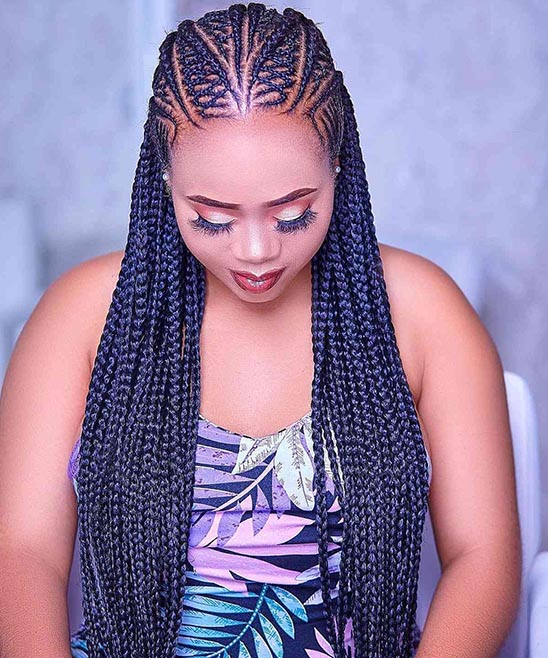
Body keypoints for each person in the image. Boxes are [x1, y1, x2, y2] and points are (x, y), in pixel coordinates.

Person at [0, 3, 521, 658]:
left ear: (339, 166)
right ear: (164, 179)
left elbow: (483, 558)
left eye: (293, 213)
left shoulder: (423, 313)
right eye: (213, 218)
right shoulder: (80, 318)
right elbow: (22, 553)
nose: (255, 251)